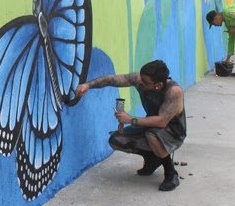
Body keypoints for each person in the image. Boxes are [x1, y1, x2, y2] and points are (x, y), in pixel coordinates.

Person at [75, 59, 186, 192]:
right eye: (140, 77)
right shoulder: (139, 80)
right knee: (117, 140)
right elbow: (112, 80)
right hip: (150, 126)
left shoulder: (174, 92)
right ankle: (152, 159)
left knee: (152, 135)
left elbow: (161, 121)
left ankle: (171, 174)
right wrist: (88, 85)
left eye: (145, 82)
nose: (139, 82)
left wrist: (130, 120)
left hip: (173, 132)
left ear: (157, 85)